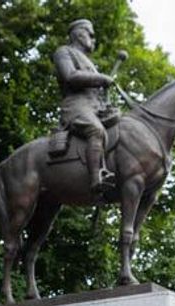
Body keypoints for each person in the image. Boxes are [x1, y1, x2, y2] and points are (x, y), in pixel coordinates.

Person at [53, 18, 119, 196]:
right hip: (76, 106)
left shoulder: (90, 63)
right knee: (96, 131)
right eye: (90, 34)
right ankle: (96, 178)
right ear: (78, 34)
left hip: (95, 108)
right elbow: (71, 76)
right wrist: (101, 79)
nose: (93, 38)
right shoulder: (64, 52)